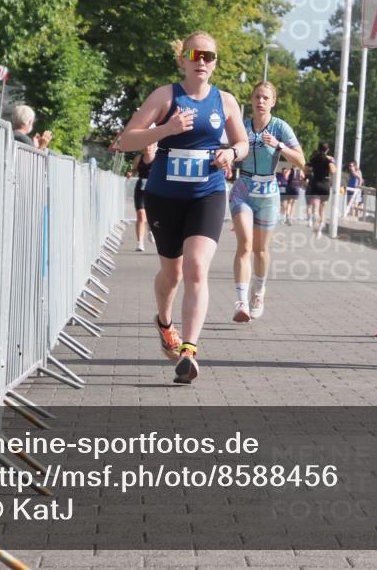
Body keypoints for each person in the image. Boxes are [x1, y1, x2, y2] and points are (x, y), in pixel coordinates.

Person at [114, 31, 248, 384]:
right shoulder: (165, 96)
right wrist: (166, 129)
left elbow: (242, 142)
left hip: (207, 193)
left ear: (215, 61)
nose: (202, 61)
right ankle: (163, 320)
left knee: (196, 268)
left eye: (209, 55)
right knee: (171, 274)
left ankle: (189, 350)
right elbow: (126, 140)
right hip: (165, 197)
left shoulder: (226, 101)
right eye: (195, 54)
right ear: (183, 59)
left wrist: (231, 153)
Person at [228, 82, 305, 323]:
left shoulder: (280, 127)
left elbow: (301, 161)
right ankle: (241, 302)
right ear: (251, 100)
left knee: (260, 250)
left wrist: (279, 146)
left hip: (269, 192)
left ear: (273, 102)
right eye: (257, 97)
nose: (260, 101)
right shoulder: (242, 125)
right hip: (243, 189)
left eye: (266, 98)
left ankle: (258, 292)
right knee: (245, 245)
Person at [129, 142, 157, 252]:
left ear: (155, 147)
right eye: (146, 145)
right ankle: (140, 242)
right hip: (140, 188)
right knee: (141, 215)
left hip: (154, 189)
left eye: (150, 145)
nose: (147, 147)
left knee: (152, 215)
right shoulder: (138, 158)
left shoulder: (158, 158)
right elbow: (134, 170)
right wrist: (130, 173)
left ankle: (151, 229)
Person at [305, 142, 336, 235]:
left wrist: (312, 171)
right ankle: (319, 229)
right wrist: (333, 162)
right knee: (322, 208)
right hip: (325, 184)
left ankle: (313, 219)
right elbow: (333, 171)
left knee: (314, 205)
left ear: (318, 149)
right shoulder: (328, 160)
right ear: (328, 150)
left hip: (315, 183)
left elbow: (306, 169)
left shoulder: (313, 158)